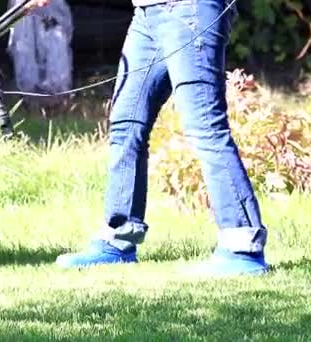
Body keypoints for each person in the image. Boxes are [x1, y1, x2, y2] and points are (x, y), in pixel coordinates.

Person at [50, 0, 270, 276]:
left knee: (204, 123)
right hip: (147, 13)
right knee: (126, 124)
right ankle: (119, 238)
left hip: (189, 9)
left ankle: (242, 247)